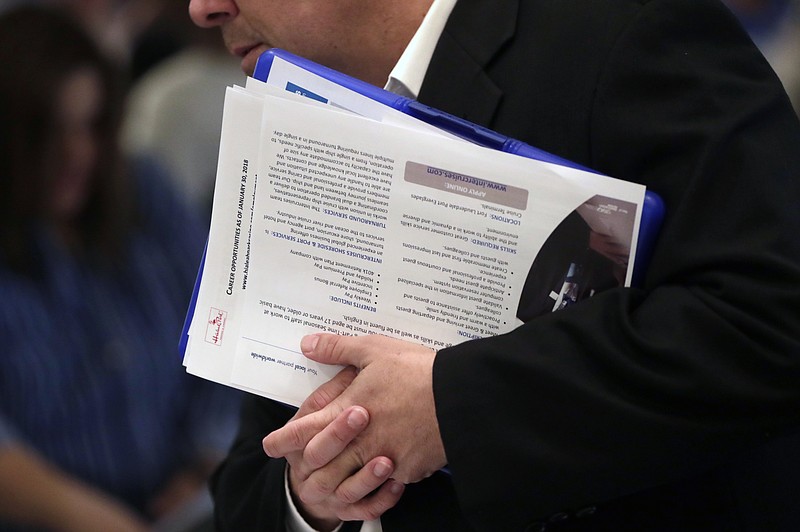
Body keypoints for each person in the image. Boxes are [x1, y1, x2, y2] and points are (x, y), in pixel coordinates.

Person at [188, 0, 800, 530]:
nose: (202, 8)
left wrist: (452, 406)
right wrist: (313, 499)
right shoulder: (286, 132)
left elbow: (769, 317)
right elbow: (249, 485)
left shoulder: (624, 33)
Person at [0, 6, 241, 531]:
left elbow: (220, 323)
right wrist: (88, 517)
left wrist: (208, 460)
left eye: (90, 126)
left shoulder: (142, 193)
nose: (76, 154)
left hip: (185, 502)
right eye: (49, 133)